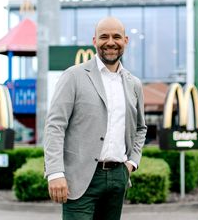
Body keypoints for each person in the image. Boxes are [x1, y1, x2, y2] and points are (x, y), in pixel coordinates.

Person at [44, 16, 147, 220]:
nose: (110, 42)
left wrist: (132, 163)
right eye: (104, 37)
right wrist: (55, 172)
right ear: (94, 41)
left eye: (116, 37)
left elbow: (140, 128)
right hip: (79, 179)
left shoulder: (133, 84)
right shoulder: (73, 76)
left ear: (125, 41)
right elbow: (55, 125)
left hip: (118, 177)